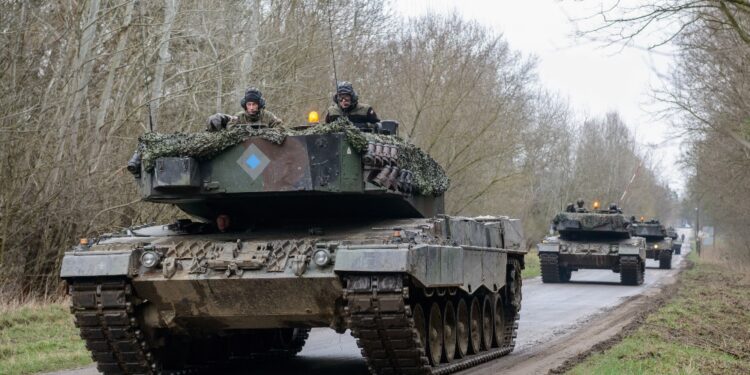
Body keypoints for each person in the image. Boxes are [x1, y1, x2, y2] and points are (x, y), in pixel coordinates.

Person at [207, 87, 282, 131]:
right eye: (249, 104)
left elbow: (280, 129)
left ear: (259, 105)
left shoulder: (268, 116)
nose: (251, 108)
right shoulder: (239, 117)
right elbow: (229, 130)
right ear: (245, 105)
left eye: (254, 104)